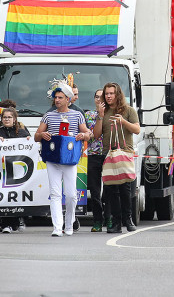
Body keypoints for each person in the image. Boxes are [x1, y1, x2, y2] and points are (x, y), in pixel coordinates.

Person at [35, 80, 91, 236]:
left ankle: (69, 223)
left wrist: (83, 135)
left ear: (68, 99)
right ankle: (57, 227)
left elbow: (88, 133)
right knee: (55, 193)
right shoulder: (48, 116)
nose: (57, 100)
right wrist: (42, 135)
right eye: (56, 97)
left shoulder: (77, 115)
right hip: (52, 159)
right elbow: (36, 136)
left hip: (70, 159)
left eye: (60, 97)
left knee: (72, 194)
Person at [93, 82, 140, 234]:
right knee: (111, 190)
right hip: (109, 154)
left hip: (125, 152)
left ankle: (129, 219)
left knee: (125, 189)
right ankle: (116, 222)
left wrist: (123, 121)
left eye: (111, 93)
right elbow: (96, 134)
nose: (108, 96)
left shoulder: (128, 110)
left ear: (118, 94)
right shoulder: (104, 111)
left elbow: (137, 129)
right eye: (106, 94)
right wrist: (100, 117)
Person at [0, 108, 31, 233]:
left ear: (14, 119)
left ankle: (18, 221)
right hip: (1, 171)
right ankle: (5, 224)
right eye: (4, 117)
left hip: (18, 171)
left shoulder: (22, 133)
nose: (7, 119)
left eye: (9, 117)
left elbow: (30, 147)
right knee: (4, 197)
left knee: (16, 196)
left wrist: (29, 140)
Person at [85, 89, 111, 232]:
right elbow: (93, 135)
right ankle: (97, 220)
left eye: (103, 97)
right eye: (97, 97)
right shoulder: (89, 115)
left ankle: (109, 217)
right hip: (93, 154)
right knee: (95, 191)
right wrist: (100, 117)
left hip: (108, 154)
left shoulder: (112, 114)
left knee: (109, 189)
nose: (100, 99)